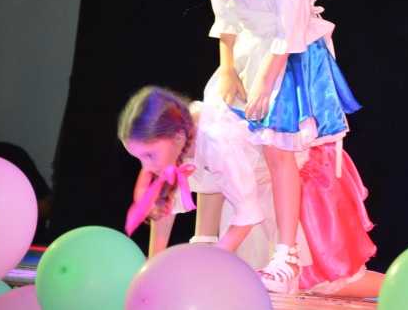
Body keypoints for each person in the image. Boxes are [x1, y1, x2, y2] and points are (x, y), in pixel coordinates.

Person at [171, 0, 367, 293]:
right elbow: (225, 13)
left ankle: (286, 257)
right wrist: (228, 69)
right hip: (245, 51)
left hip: (288, 53)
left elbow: (291, 20)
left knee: (279, 146)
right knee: (213, 130)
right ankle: (206, 242)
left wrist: (265, 79)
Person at [119, 86, 382, 297]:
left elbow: (248, 215)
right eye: (139, 158)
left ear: (177, 137)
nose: (146, 167)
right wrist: (152, 270)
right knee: (263, 285)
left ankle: (395, 289)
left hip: (294, 185)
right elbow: (165, 208)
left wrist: (208, 264)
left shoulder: (218, 141)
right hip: (255, 192)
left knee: (322, 282)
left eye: (149, 155)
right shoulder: (177, 138)